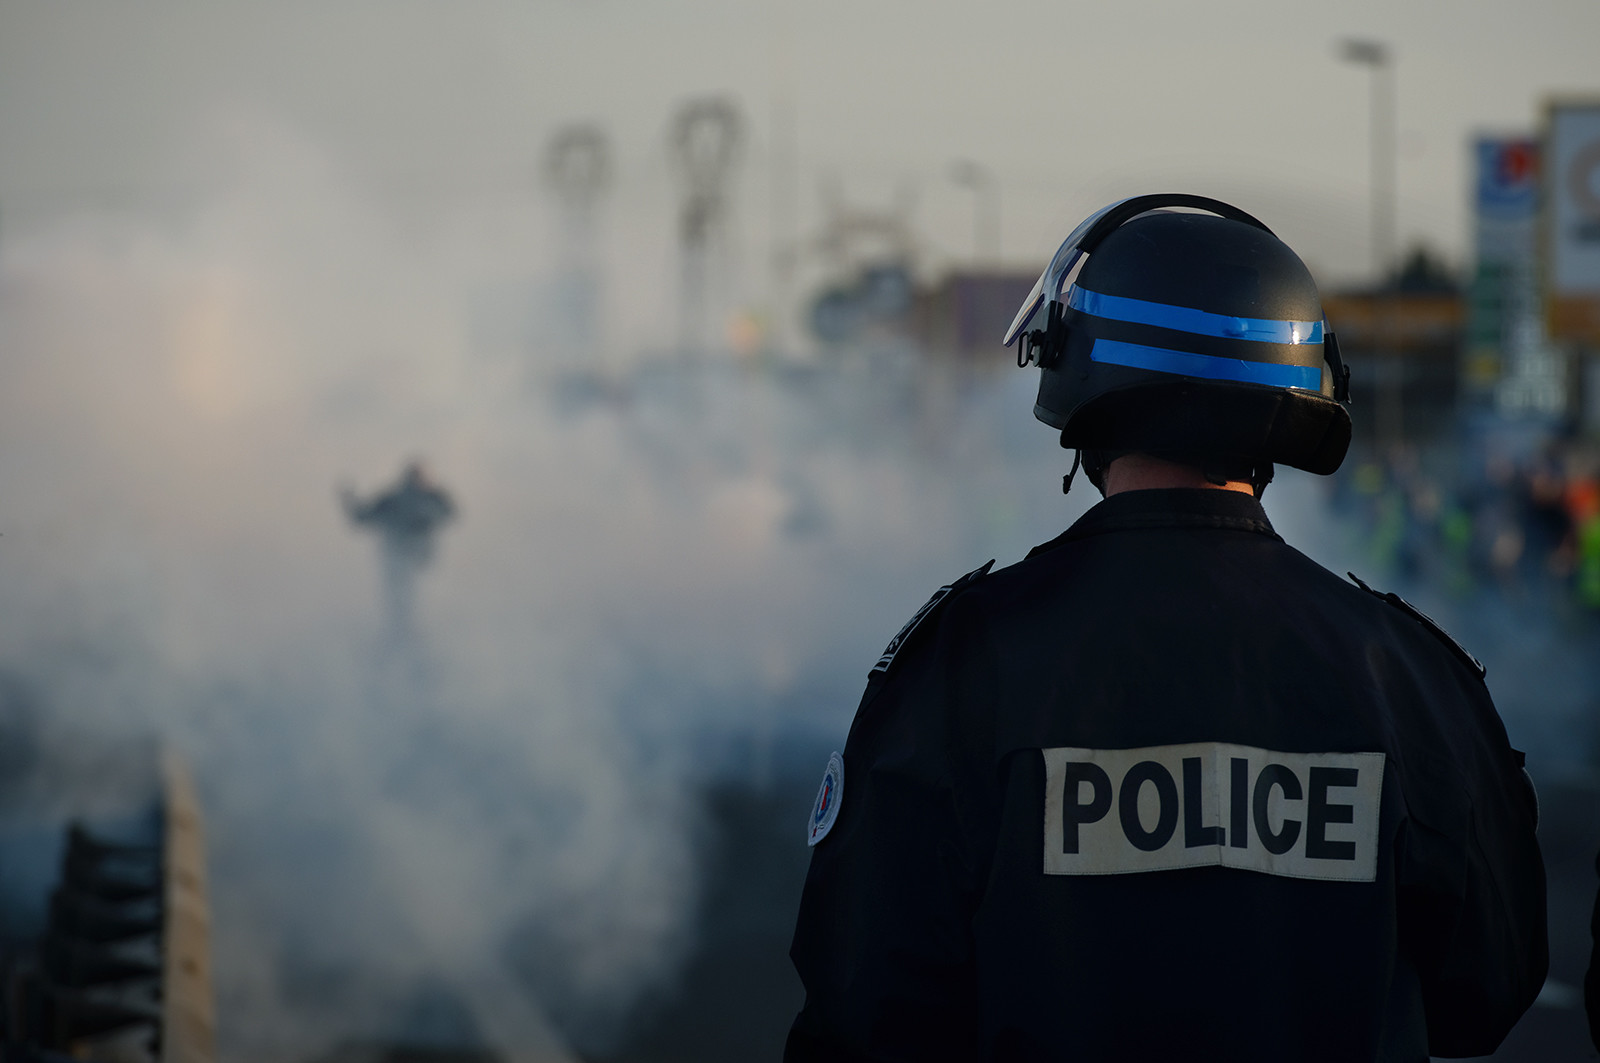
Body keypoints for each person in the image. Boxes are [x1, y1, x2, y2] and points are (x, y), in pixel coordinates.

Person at [785, 196, 1547, 1062]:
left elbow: (865, 1004)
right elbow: (1488, 990)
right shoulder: (1404, 671)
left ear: (1079, 369)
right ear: (1297, 387)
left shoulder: (965, 659)